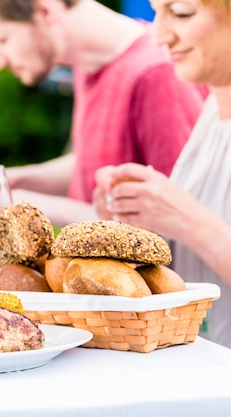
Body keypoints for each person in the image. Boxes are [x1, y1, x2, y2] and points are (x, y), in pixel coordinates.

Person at [0, 0, 208, 226]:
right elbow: (96, 162)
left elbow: (180, 219)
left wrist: (24, 204)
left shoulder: (157, 75)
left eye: (0, 41)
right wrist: (17, 181)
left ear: (44, 10)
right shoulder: (87, 67)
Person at [93, 0, 231, 349]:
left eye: (182, 12)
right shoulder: (214, 107)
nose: (158, 36)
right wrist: (135, 217)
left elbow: (202, 226)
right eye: (157, 13)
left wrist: (187, 220)